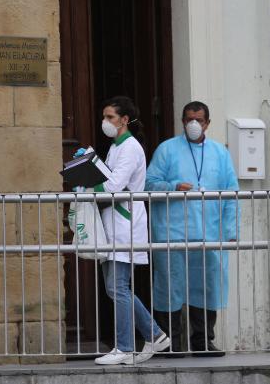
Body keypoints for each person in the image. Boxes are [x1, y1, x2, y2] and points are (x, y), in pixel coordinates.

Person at [76, 96, 169, 365]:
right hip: (115, 222)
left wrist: (86, 184)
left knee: (117, 287)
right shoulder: (116, 147)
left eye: (110, 117)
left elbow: (114, 185)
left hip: (125, 222)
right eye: (104, 117)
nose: (105, 122)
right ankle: (155, 335)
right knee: (117, 288)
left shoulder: (129, 148)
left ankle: (125, 347)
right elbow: (108, 178)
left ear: (124, 120)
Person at [145, 101, 239, 357]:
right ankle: (171, 344)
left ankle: (203, 342)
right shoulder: (167, 150)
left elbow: (232, 193)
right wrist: (174, 186)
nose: (193, 124)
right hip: (172, 232)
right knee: (169, 286)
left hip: (209, 233)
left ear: (208, 123)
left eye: (198, 119)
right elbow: (148, 183)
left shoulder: (220, 153)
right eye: (188, 119)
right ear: (182, 121)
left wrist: (230, 231)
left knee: (207, 287)